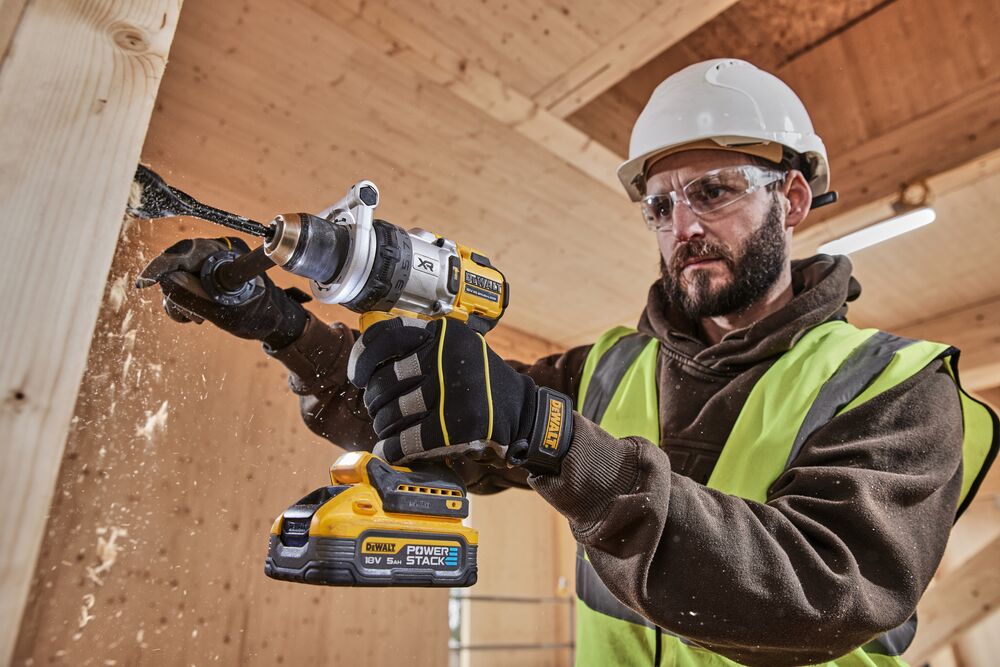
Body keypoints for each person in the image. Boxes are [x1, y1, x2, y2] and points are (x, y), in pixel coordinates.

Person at [138, 59, 997, 666]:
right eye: (660, 205)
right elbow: (429, 418)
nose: (682, 226)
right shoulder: (611, 367)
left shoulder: (898, 385)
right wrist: (287, 329)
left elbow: (821, 592)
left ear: (794, 198)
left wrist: (555, 439)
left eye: (714, 190)